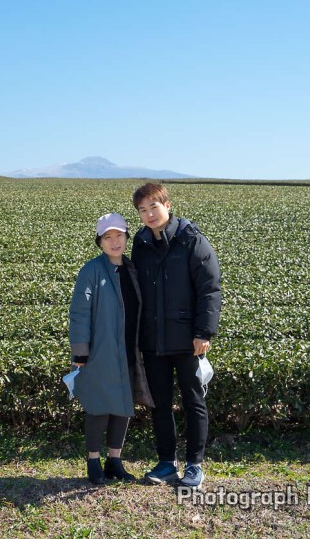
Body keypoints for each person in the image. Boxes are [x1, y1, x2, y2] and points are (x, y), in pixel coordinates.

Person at [131, 182, 221, 489]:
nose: (149, 214)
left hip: (188, 341)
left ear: (168, 205)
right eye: (142, 210)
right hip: (153, 340)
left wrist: (204, 331)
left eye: (153, 207)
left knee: (193, 401)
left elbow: (210, 288)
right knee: (159, 403)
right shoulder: (141, 243)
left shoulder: (191, 240)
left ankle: (194, 464)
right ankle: (167, 462)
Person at [69, 213, 153, 485]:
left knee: (123, 406)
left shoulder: (132, 268)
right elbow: (79, 312)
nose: (114, 241)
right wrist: (80, 352)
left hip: (128, 350)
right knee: (98, 407)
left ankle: (114, 460)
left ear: (127, 237)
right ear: (100, 242)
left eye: (119, 235)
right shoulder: (91, 270)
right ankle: (93, 461)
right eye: (108, 237)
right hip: (99, 353)